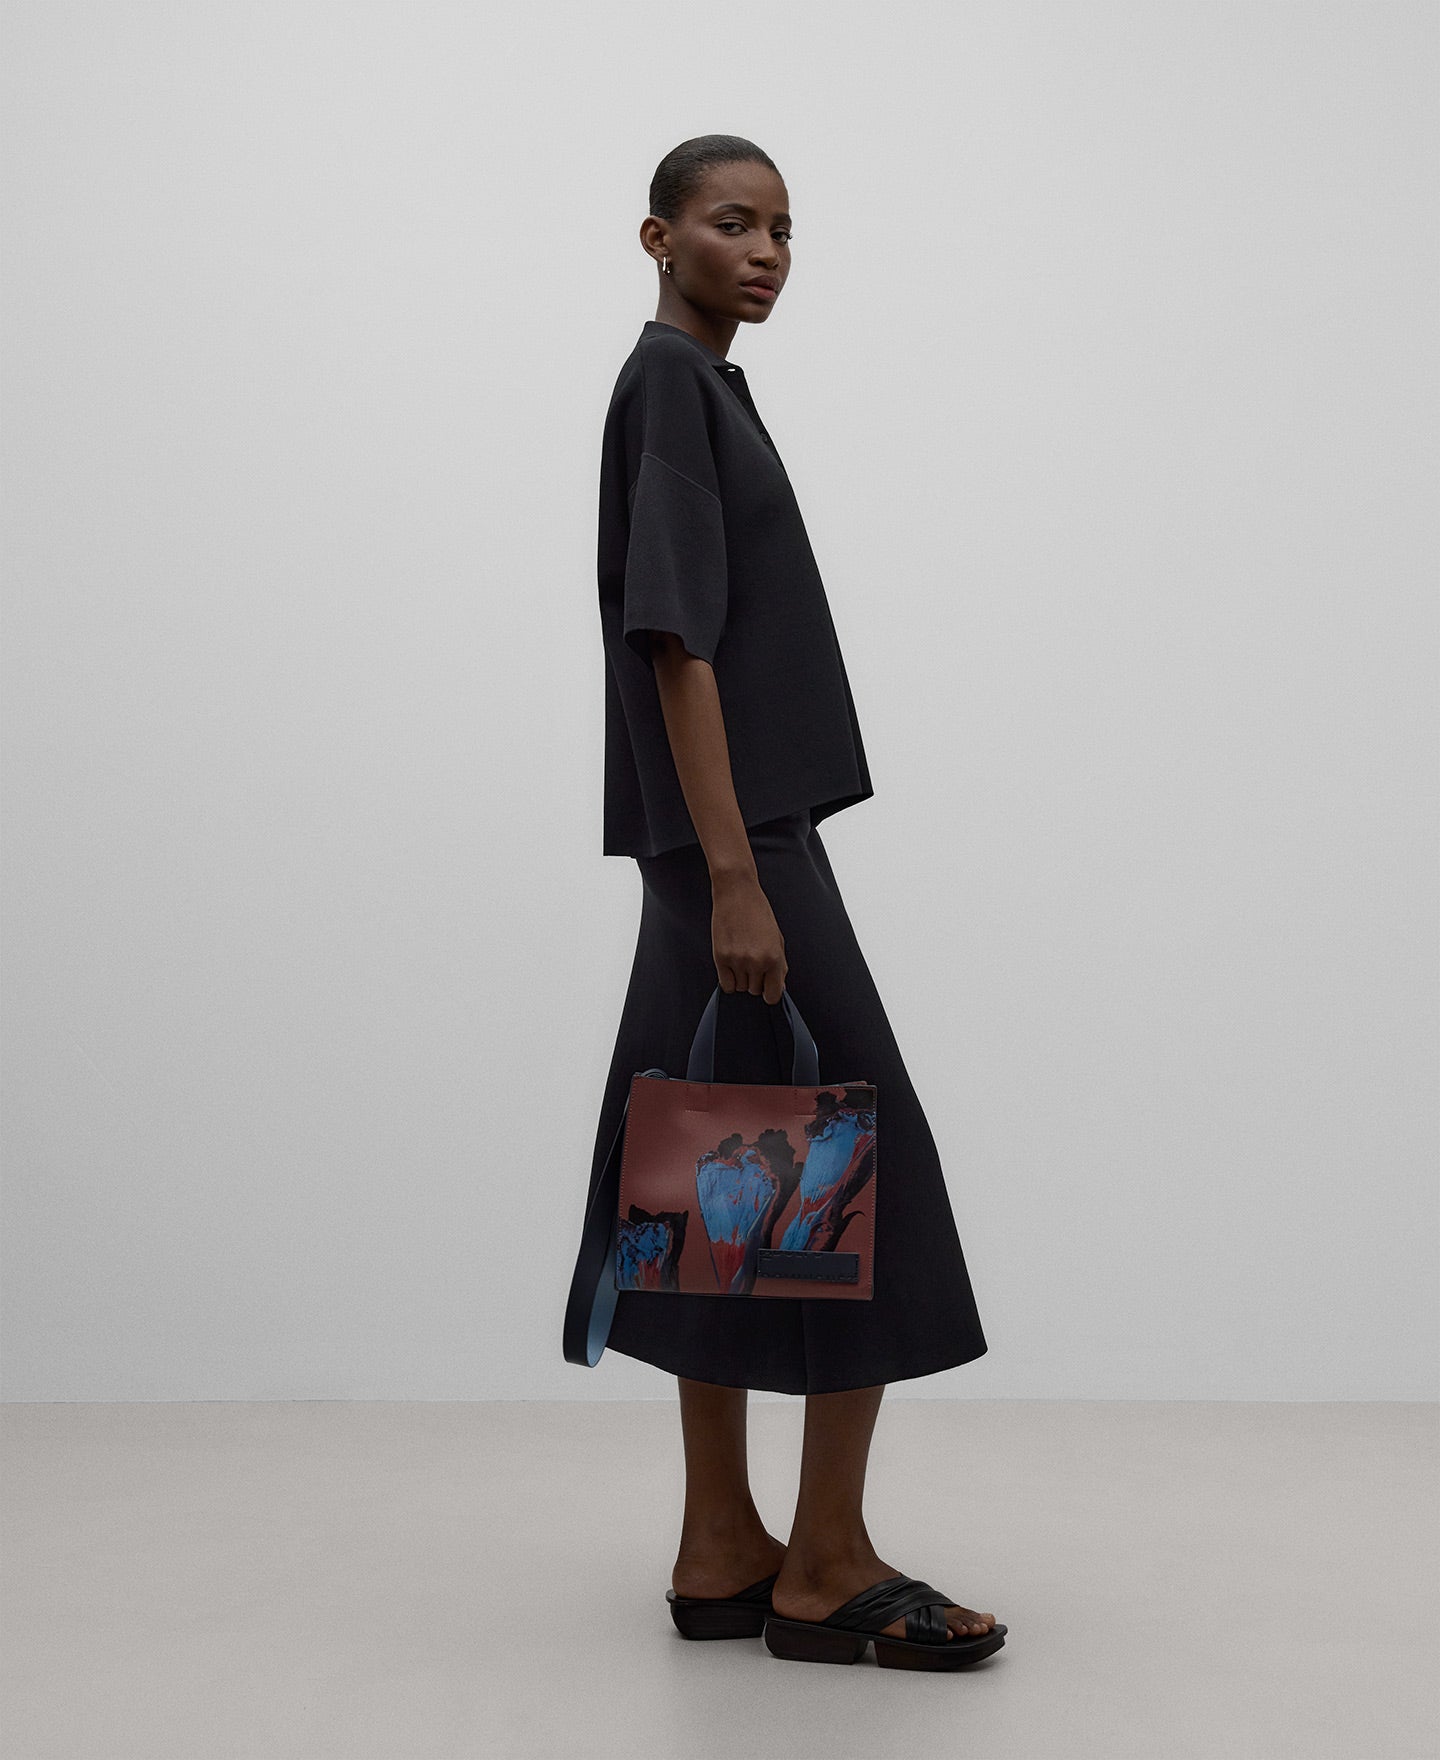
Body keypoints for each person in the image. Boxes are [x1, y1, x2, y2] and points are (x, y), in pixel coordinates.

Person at [579, 134, 1005, 1670]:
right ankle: (825, 1564)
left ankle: (720, 1546)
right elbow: (675, 644)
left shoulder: (694, 387)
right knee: (856, 1159)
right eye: (731, 222)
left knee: (720, 1162)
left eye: (781, 229)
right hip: (738, 847)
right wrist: (740, 878)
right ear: (657, 237)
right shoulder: (673, 386)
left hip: (712, 847)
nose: (764, 251)